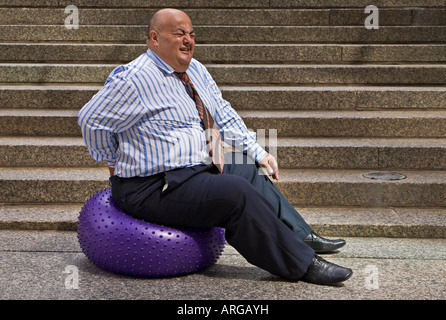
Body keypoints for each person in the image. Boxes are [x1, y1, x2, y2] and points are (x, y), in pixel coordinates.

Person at [78, 8, 352, 285]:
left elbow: (221, 113)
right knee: (236, 193)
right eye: (180, 33)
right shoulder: (133, 78)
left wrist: (260, 153)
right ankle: (302, 265)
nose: (188, 40)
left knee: (247, 171)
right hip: (151, 185)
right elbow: (91, 120)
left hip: (192, 171)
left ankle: (300, 236)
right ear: (155, 38)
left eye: (192, 34)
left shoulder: (195, 70)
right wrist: (112, 162)